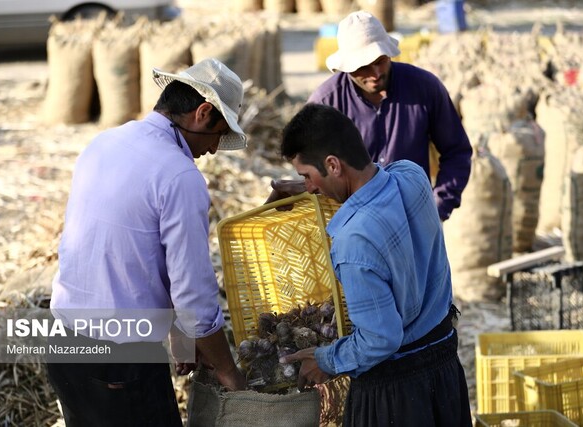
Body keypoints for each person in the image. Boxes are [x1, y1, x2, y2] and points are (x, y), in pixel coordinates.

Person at [46, 58, 247, 426]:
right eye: (219, 134)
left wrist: (180, 338)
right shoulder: (179, 176)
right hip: (118, 360)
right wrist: (228, 371)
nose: (215, 149)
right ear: (203, 113)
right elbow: (194, 295)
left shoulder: (106, 142)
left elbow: (132, 252)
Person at [278, 103, 472, 426]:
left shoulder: (354, 242)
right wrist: (314, 184)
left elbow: (380, 339)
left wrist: (326, 359)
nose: (310, 187)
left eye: (308, 177)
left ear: (333, 165)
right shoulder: (412, 175)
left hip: (399, 395)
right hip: (445, 366)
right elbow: (377, 175)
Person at [269, 11, 472, 221]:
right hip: (354, 222)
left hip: (415, 218)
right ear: (346, 68)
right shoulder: (325, 103)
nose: (375, 74)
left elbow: (456, 152)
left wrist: (438, 207)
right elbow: (314, 171)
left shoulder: (425, 88)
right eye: (363, 67)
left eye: (381, 61)